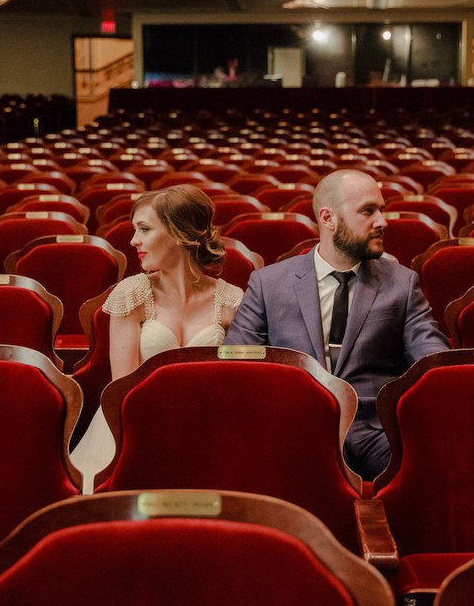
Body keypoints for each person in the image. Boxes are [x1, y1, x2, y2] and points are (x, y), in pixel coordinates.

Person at [224, 169, 449, 480]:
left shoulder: (401, 283)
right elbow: (236, 364)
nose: (383, 221)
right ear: (328, 218)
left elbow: (431, 357)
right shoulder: (269, 283)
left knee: (439, 462)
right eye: (368, 211)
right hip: (293, 431)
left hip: (378, 436)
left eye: (381, 210)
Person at [71, 184, 243, 489]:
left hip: (209, 427)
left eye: (145, 229)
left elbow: (239, 384)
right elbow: (120, 390)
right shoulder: (133, 293)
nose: (134, 240)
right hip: (132, 427)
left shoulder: (231, 301)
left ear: (180, 234)